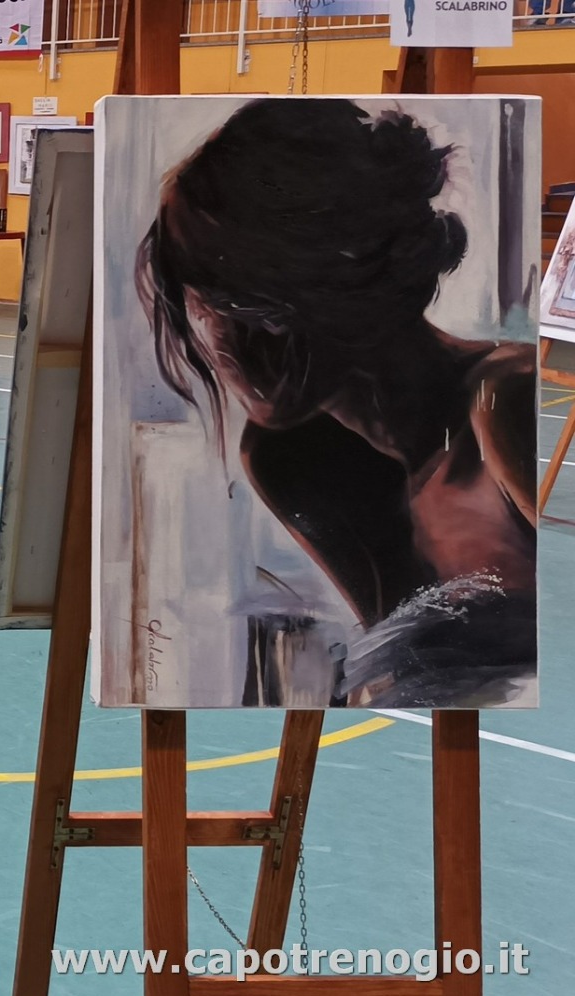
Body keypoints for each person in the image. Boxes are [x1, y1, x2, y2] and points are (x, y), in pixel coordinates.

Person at [136, 98, 536, 706]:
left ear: (333, 292)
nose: (215, 339)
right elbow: (397, 676)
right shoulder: (290, 457)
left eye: (241, 304)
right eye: (199, 304)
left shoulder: (502, 399)